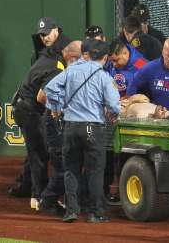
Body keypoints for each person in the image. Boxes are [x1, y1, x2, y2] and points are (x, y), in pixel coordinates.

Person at [43, 39, 120, 224]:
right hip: (91, 128)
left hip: (71, 127)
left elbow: (50, 88)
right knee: (95, 171)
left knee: (71, 170)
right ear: (105, 58)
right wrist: (113, 112)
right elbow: (113, 105)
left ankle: (71, 211)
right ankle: (96, 213)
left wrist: (59, 105)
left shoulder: (71, 70)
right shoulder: (103, 77)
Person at [13, 30, 71, 208]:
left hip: (24, 107)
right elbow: (42, 96)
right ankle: (38, 197)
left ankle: (27, 186)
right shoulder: (56, 65)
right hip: (28, 109)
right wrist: (59, 109)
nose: (44, 37)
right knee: (40, 154)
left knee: (35, 150)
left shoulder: (48, 57)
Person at [35, 39, 82, 214]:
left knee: (68, 166)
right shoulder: (60, 71)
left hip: (63, 122)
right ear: (73, 56)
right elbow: (40, 97)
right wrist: (59, 106)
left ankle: (67, 203)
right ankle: (47, 201)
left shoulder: (72, 72)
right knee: (63, 168)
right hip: (54, 122)